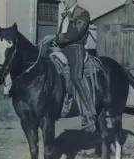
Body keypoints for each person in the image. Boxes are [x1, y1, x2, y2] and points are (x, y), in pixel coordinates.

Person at [40, 0, 96, 131]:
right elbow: (62, 33)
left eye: (65, 0)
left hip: (76, 49)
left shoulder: (83, 13)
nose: (64, 1)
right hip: (62, 48)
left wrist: (54, 37)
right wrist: (55, 43)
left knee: (76, 76)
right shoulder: (65, 15)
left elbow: (75, 34)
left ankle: (89, 113)